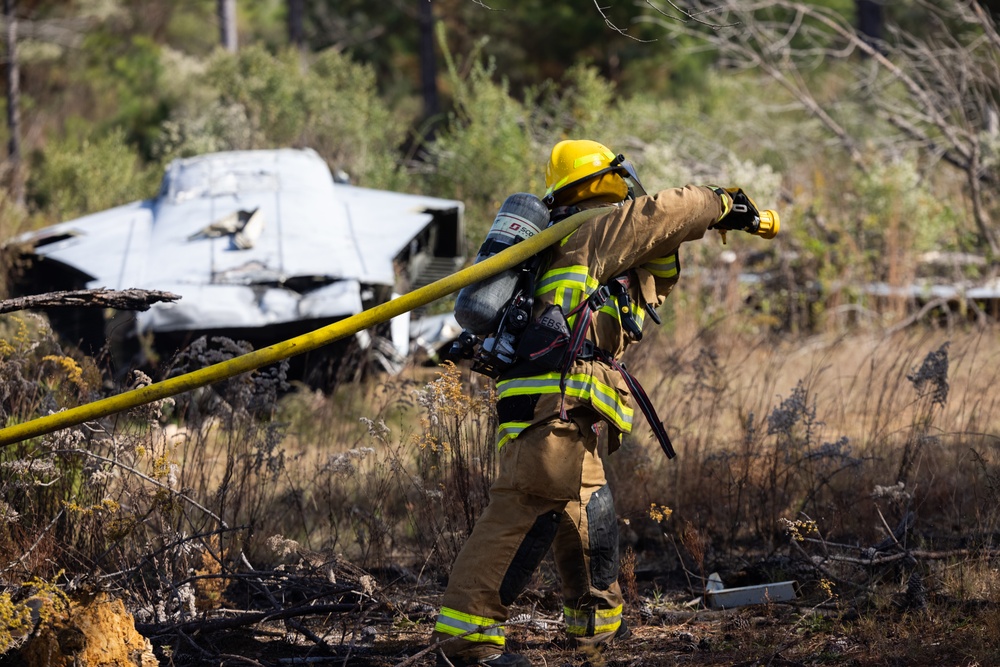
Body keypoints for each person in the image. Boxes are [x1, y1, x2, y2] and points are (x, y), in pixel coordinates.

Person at [431, 139, 770, 667]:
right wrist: (722, 202)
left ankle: (596, 636)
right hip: (553, 398)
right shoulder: (593, 228)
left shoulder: (588, 246)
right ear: (606, 180)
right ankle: (468, 643)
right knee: (526, 505)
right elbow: (665, 212)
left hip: (569, 404)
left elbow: (656, 270)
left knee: (589, 513)